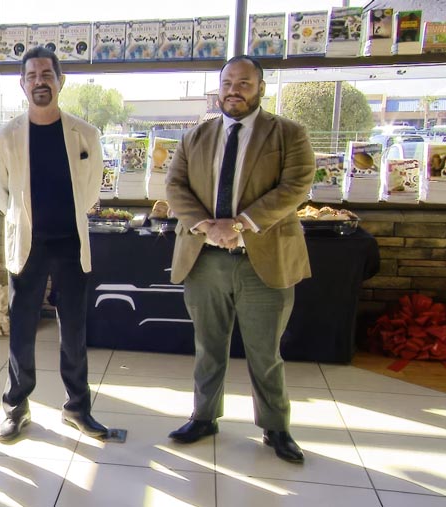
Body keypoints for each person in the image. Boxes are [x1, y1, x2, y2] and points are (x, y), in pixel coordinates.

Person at [165, 55, 314, 464]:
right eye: (228, 82)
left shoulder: (288, 134)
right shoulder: (195, 136)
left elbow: (296, 185)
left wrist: (242, 223)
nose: (234, 89)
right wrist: (207, 226)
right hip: (205, 259)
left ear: (261, 88)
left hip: (263, 260)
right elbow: (175, 185)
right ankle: (204, 417)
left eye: (244, 83)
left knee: (265, 352)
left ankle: (276, 426)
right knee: (208, 346)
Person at [0, 46, 110, 442]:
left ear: (60, 80)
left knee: (73, 327)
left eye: (47, 74)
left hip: (71, 244)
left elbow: (90, 192)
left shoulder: (84, 133)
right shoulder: (5, 136)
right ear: (23, 84)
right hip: (28, 244)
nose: (40, 81)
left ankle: (77, 406)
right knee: (21, 327)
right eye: (32, 75)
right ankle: (16, 407)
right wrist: (26, 220)